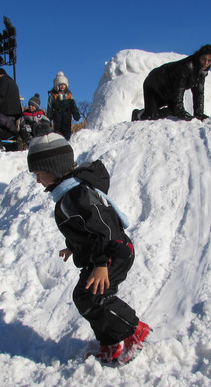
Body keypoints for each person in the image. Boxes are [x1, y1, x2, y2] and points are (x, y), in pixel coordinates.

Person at [26, 133, 151, 364]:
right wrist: (73, 246)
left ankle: (135, 330)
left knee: (95, 297)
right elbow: (84, 228)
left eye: (38, 174)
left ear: (53, 168)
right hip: (100, 253)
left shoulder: (77, 195)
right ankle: (111, 341)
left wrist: (102, 264)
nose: (37, 180)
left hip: (114, 252)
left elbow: (104, 228)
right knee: (85, 297)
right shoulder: (68, 193)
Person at [132, 44, 211, 121]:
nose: (206, 63)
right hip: (154, 85)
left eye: (209, 61)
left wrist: (199, 114)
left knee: (173, 112)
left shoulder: (201, 72)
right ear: (199, 56)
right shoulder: (186, 67)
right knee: (151, 116)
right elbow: (179, 90)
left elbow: (198, 93)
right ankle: (138, 114)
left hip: (170, 89)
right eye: (204, 59)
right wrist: (181, 112)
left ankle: (153, 111)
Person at [47, 72, 82, 139]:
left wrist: (76, 115)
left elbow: (73, 106)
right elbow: (50, 108)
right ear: (57, 85)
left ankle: (67, 141)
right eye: (61, 85)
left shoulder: (69, 96)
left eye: (64, 84)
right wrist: (49, 118)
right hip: (57, 116)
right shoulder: (53, 96)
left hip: (67, 116)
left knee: (67, 132)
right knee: (58, 132)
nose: (62, 86)